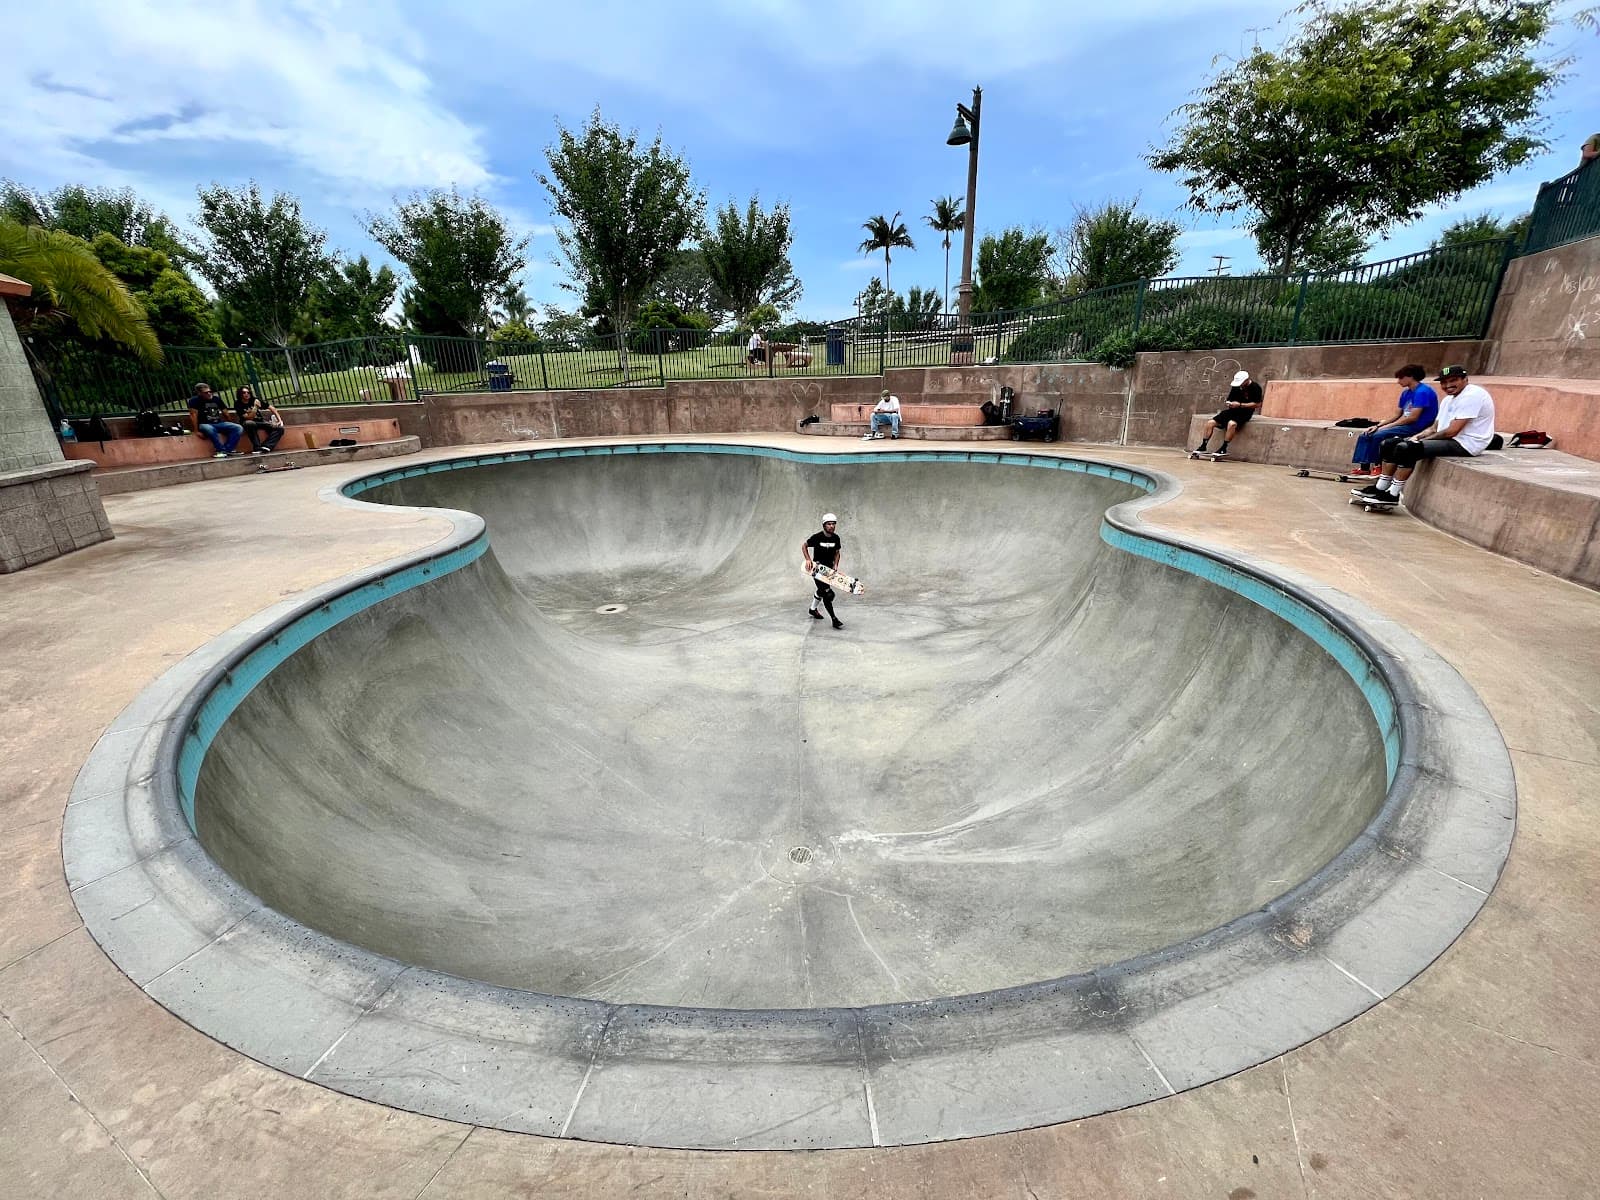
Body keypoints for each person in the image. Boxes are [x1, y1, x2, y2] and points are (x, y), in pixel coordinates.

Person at [1351, 365, 1496, 507]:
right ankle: (1380, 488)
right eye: (1444, 382)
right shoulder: (1448, 400)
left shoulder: (1472, 395)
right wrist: (1417, 437)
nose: (1448, 385)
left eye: (1453, 380)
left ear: (1465, 379)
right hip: (1449, 439)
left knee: (1407, 448)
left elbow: (1452, 432)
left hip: (1466, 444)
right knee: (1388, 443)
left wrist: (1417, 442)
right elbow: (1434, 428)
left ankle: (1392, 495)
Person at [1350, 365, 1439, 476]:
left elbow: (1413, 418)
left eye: (1401, 378)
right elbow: (1396, 414)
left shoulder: (1423, 392)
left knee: (1379, 435)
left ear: (1410, 377)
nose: (1398, 381)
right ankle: (1364, 467)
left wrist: (1388, 427)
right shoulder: (1406, 393)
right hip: (1406, 425)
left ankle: (1378, 467)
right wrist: (1378, 426)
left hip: (1418, 426)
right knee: (1366, 434)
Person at [1190, 369, 1263, 458]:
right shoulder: (1236, 387)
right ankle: (1203, 446)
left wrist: (1240, 405)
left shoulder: (1255, 388)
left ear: (1246, 380)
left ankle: (1223, 448)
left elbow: (1258, 404)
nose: (1239, 385)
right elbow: (1230, 398)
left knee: (1231, 424)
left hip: (1245, 412)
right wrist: (1229, 403)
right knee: (1210, 423)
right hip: (1232, 410)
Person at [801, 513, 846, 629]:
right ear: (824, 525)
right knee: (828, 594)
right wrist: (807, 559)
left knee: (822, 591)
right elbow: (804, 546)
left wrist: (836, 564)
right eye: (829, 524)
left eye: (833, 524)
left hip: (829, 571)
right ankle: (834, 619)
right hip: (817, 570)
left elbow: (837, 553)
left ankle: (812, 609)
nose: (831, 526)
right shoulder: (817, 537)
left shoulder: (836, 538)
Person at [187, 382, 243, 457]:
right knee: (210, 429)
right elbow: (193, 415)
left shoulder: (216, 399)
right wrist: (196, 430)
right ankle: (220, 450)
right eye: (206, 393)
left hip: (218, 423)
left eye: (210, 391)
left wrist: (230, 423)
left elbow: (225, 412)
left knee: (238, 428)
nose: (209, 394)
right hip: (204, 424)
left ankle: (227, 450)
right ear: (199, 393)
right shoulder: (194, 401)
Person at [235, 386, 285, 454]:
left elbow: (271, 408)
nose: (246, 394)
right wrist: (255, 407)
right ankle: (257, 447)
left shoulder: (254, 400)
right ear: (240, 394)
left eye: (248, 392)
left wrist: (279, 420)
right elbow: (249, 418)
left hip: (260, 421)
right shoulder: (238, 404)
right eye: (244, 393)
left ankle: (266, 446)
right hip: (248, 422)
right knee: (250, 423)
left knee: (280, 429)